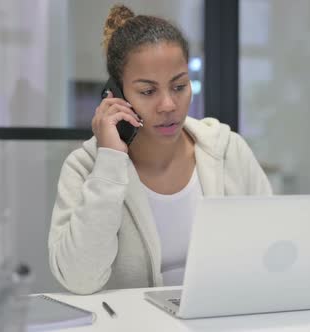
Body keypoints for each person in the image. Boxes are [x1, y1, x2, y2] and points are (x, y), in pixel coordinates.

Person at [48, 4, 272, 295]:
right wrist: (110, 163)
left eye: (179, 87)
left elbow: (272, 250)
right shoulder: (85, 167)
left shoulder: (228, 151)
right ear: (115, 95)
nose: (168, 105)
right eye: (148, 91)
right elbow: (79, 280)